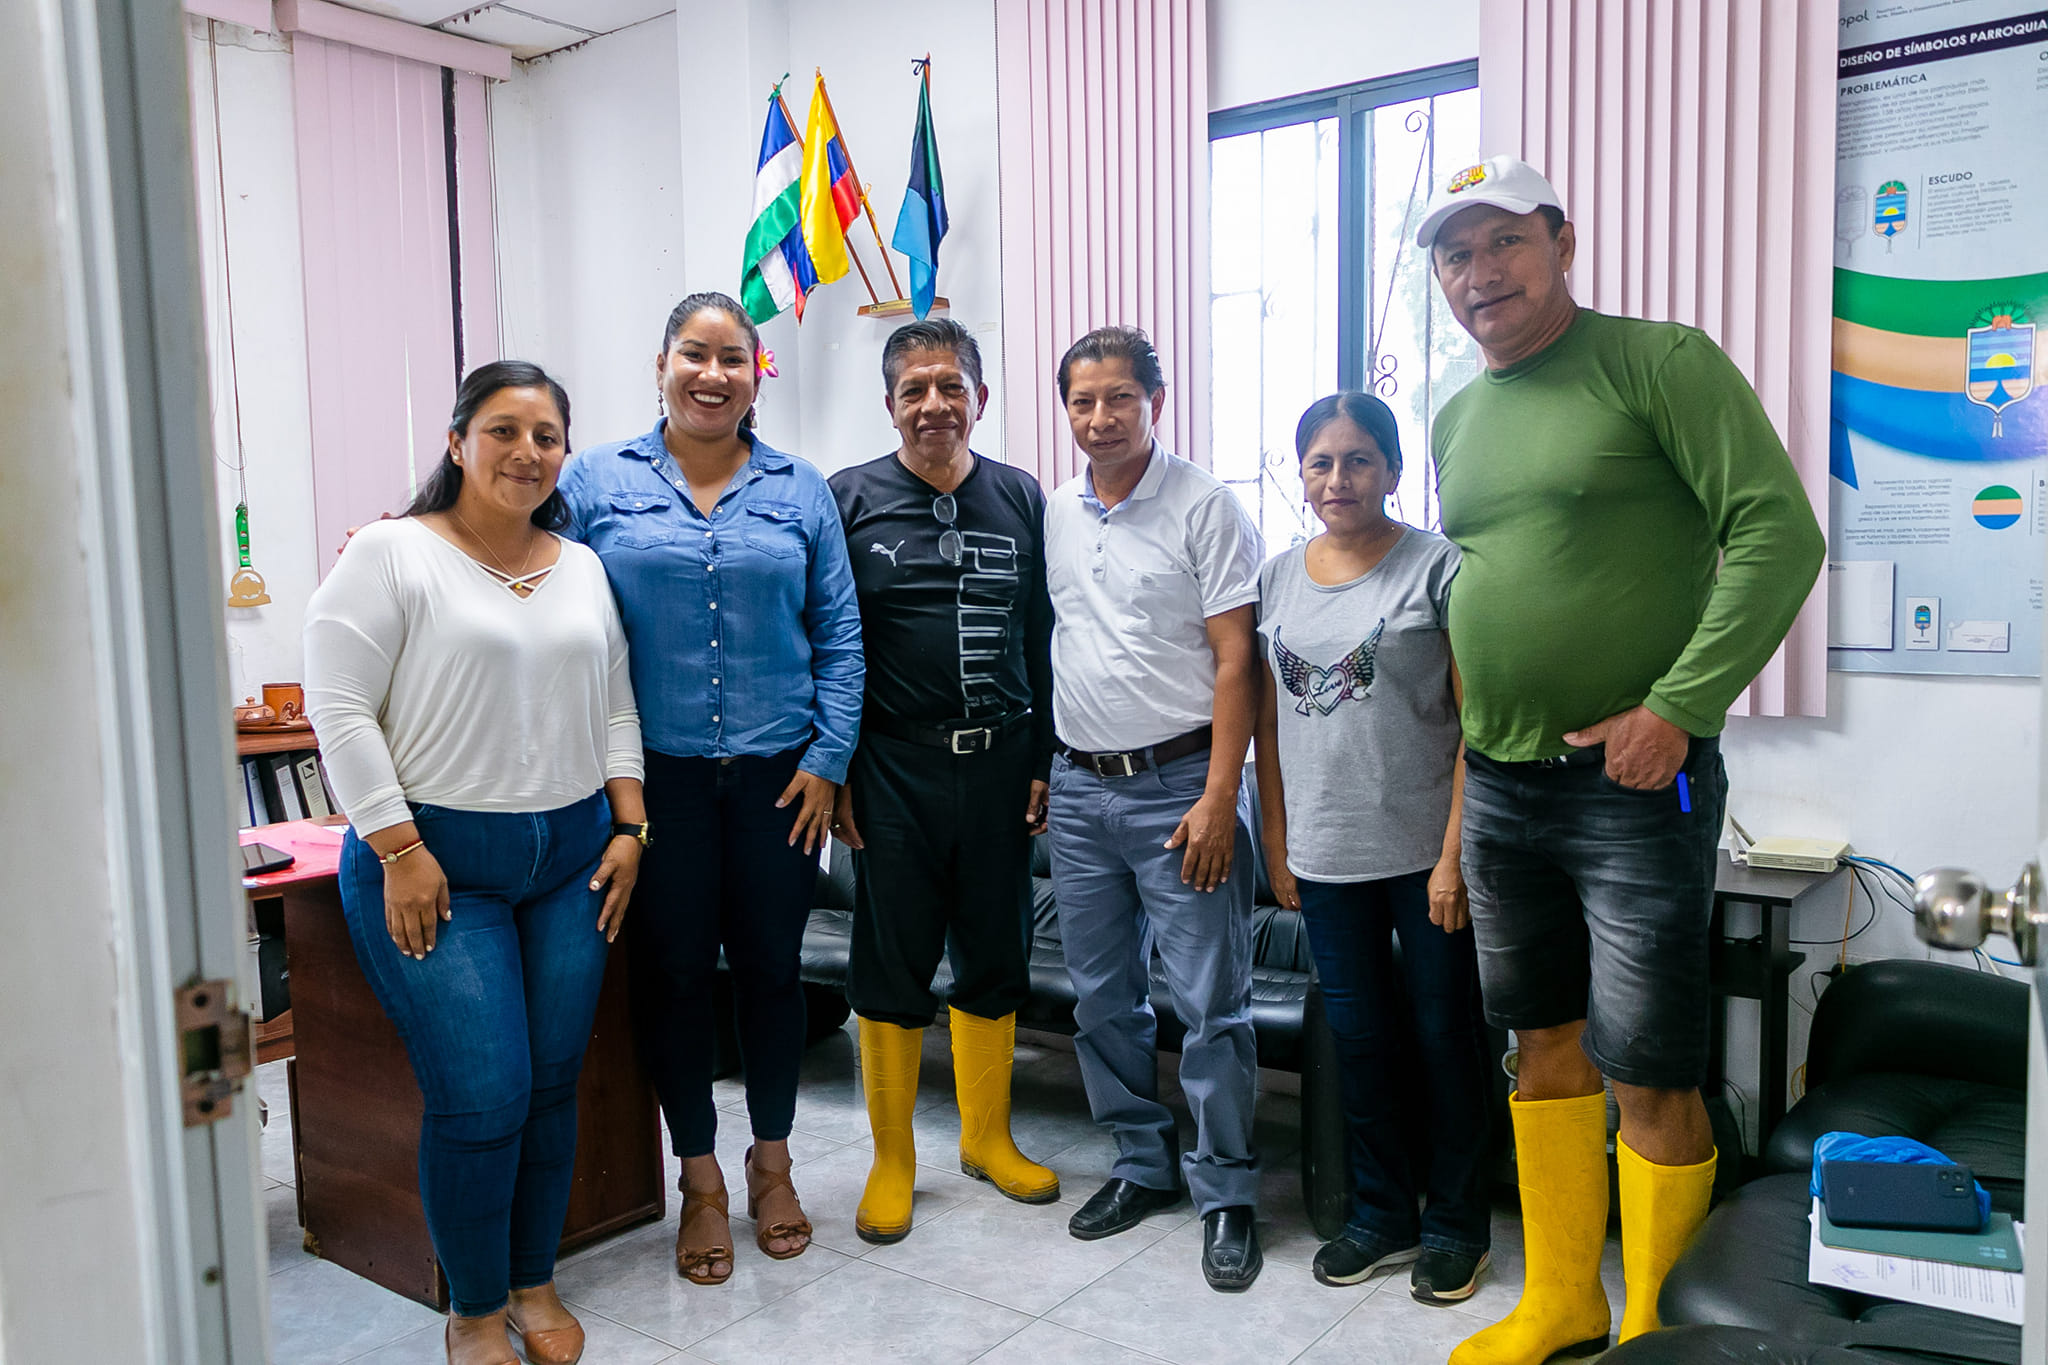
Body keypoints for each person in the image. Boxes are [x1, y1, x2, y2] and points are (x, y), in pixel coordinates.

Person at [1416, 157, 1826, 1361]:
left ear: (1562, 241)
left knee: (1649, 1070)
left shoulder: (1659, 362)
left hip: (1633, 788)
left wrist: (1676, 710)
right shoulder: (1455, 415)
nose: (1478, 273)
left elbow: (1776, 531)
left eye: (1503, 241)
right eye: (1453, 253)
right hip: (1498, 783)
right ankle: (1561, 1301)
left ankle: (1653, 1333)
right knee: (1538, 1047)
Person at [305, 360, 646, 1365]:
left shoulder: (579, 566)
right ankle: (476, 1310)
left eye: (546, 436)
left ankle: (535, 1282)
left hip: (573, 860)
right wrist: (399, 847)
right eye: (503, 430)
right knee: (482, 1095)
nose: (526, 452)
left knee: (550, 1084)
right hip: (437, 863)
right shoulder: (391, 552)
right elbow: (339, 710)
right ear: (457, 441)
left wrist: (630, 829)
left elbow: (614, 703)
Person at [555, 292, 863, 1286]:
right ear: (662, 365)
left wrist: (827, 760)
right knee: (676, 979)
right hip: (653, 786)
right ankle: (698, 1178)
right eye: (695, 354)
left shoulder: (798, 488)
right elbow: (524, 572)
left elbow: (840, 636)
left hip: (782, 781)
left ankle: (772, 1165)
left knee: (773, 975)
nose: (712, 374)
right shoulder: (593, 481)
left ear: (755, 376)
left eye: (734, 358)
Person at [1251, 391, 1494, 1302]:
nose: (1338, 478)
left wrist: (1454, 857)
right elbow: (1268, 726)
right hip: (1325, 857)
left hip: (1426, 860)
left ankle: (1458, 1226)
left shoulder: (1437, 567)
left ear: (1392, 469)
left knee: (1445, 1038)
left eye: (1358, 459)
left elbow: (1476, 726)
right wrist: (1279, 842)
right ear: (1301, 473)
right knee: (1359, 1041)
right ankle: (1382, 1214)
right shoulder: (1277, 576)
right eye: (1320, 461)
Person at [1044, 325, 1268, 1291]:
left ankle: (1227, 1193)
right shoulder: (1056, 510)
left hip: (1182, 789)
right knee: (1102, 996)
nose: (1101, 418)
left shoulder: (1205, 506)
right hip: (1079, 790)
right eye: (1084, 401)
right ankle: (1142, 1162)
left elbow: (1238, 660)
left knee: (1212, 1004)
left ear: (1156, 403)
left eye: (1120, 399)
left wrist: (1221, 795)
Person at [827, 318, 1061, 1242]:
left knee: (996, 950)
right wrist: (837, 770)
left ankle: (986, 1137)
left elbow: (1042, 636)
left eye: (951, 385)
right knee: (891, 960)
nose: (934, 404)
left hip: (1001, 763)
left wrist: (1041, 758)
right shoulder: (847, 499)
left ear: (980, 398)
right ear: (890, 405)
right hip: (892, 766)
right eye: (914, 389)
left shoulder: (1021, 496)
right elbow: (830, 645)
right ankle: (893, 1160)